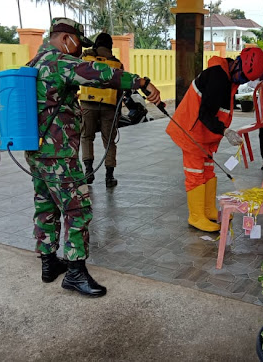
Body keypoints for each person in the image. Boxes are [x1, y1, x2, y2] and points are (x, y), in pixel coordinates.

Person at [26, 18, 160, 297]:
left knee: (45, 205)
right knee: (77, 209)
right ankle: (75, 272)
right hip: (59, 154)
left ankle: (49, 263)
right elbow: (101, 74)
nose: (78, 51)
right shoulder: (59, 62)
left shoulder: (33, 63)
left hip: (36, 151)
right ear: (65, 38)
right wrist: (142, 83)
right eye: (77, 44)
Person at [166, 47, 263, 233]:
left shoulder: (228, 78)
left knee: (208, 171)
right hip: (192, 132)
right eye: (242, 76)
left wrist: (221, 132)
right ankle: (196, 216)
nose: (241, 81)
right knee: (195, 173)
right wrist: (225, 131)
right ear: (237, 63)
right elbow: (204, 114)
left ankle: (207, 210)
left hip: (207, 135)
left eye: (246, 80)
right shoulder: (217, 77)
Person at [79, 32, 121, 188]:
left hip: (88, 104)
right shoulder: (116, 63)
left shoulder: (86, 59)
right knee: (109, 140)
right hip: (109, 106)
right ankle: (109, 177)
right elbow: (121, 86)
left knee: (86, 136)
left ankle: (88, 171)